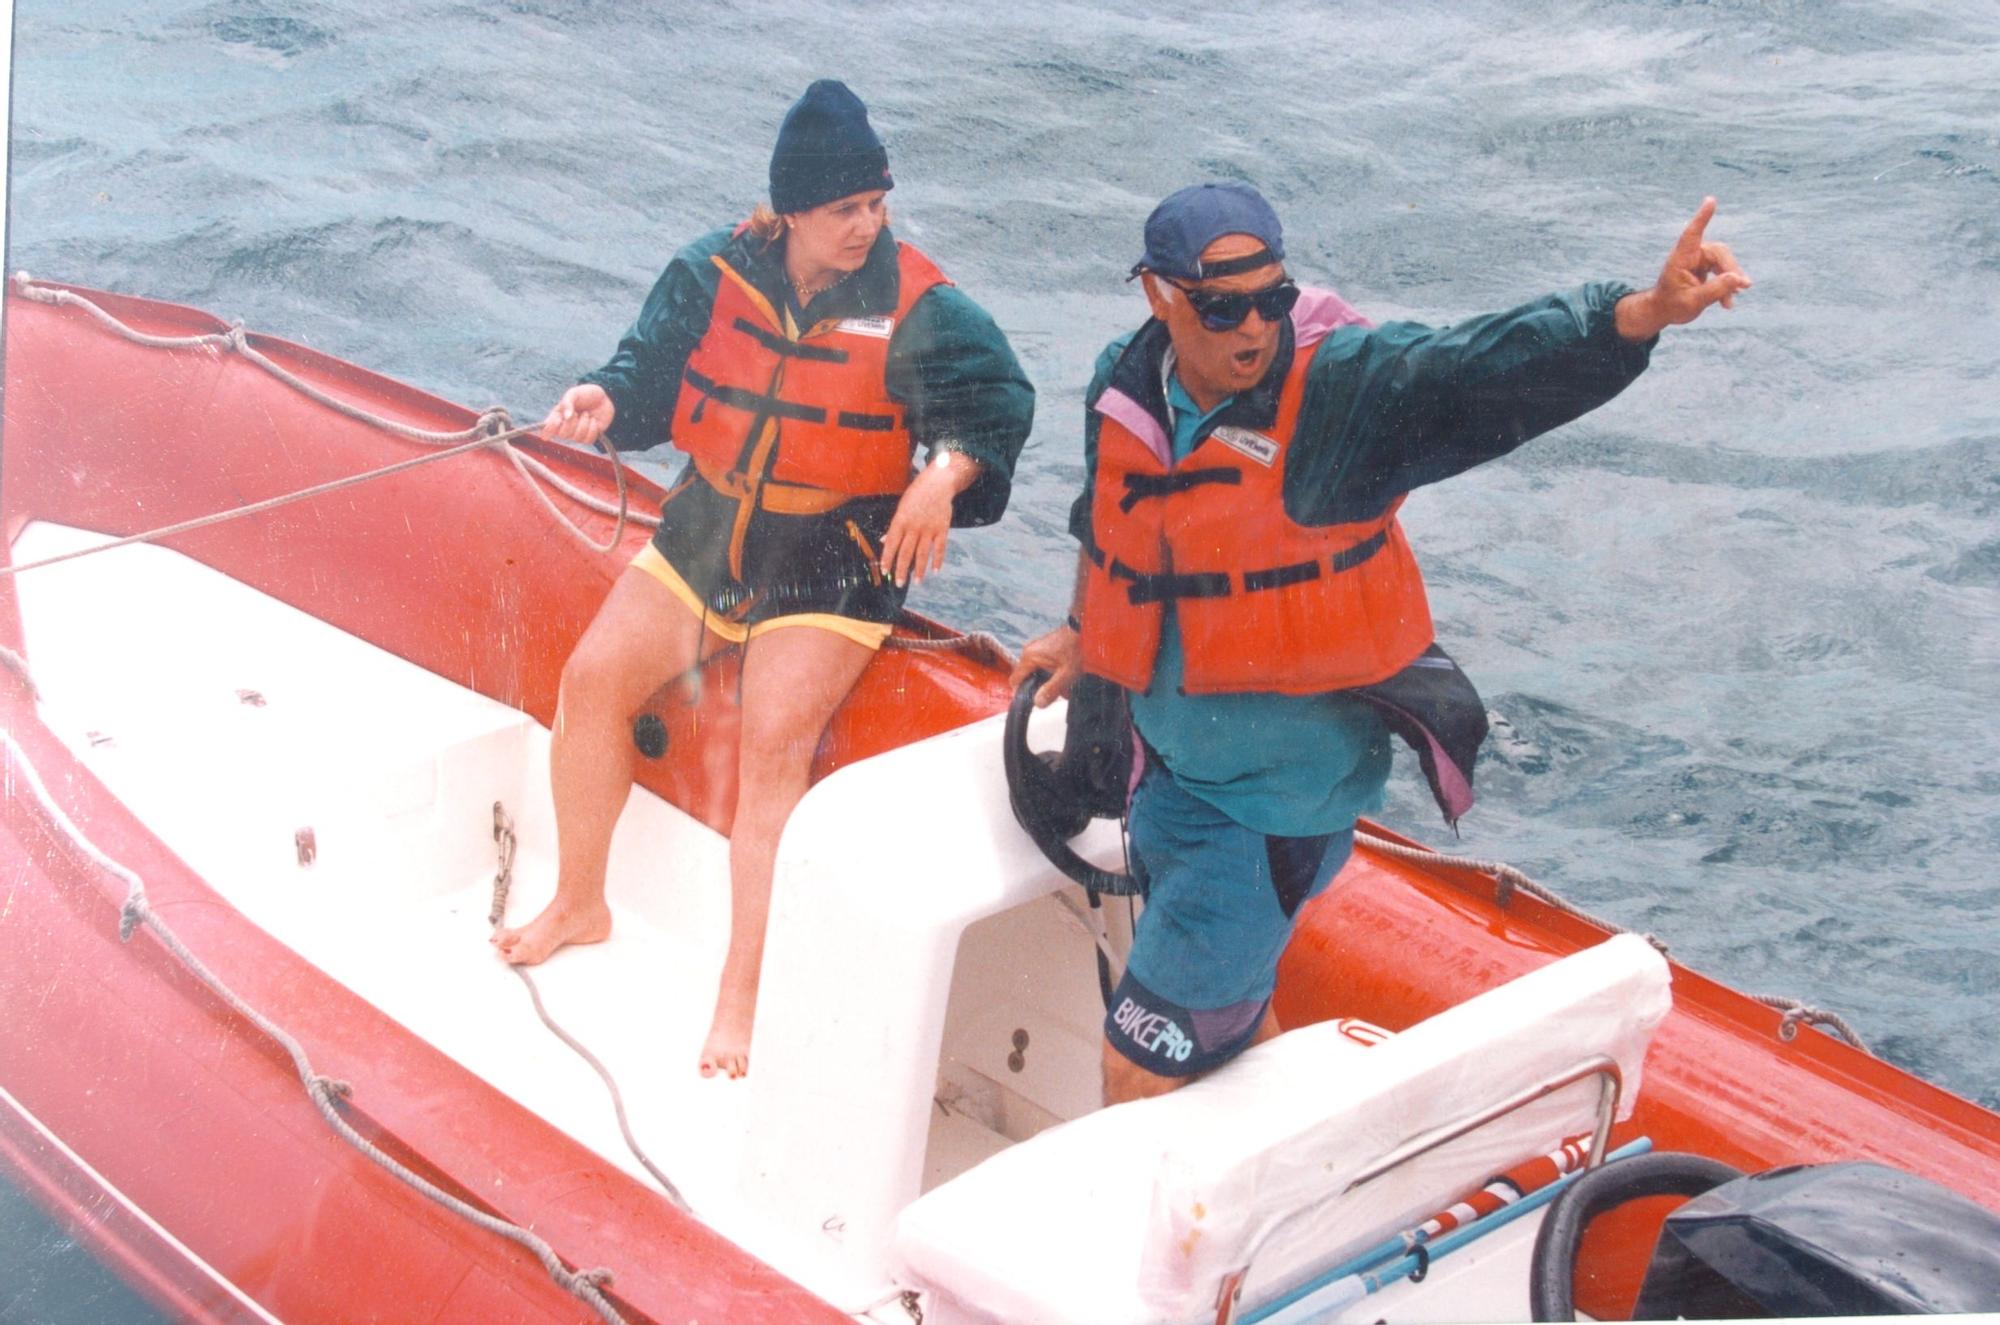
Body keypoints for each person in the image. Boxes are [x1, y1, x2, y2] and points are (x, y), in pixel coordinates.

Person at [1011, 182, 1749, 1105]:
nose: (1253, 329)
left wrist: (1640, 315)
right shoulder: (1124, 380)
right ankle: (1269, 1222)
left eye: (1271, 301)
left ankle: (1139, 1251)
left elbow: (1476, 367)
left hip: (1267, 815)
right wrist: (1085, 631)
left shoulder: (1340, 398)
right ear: (1159, 295)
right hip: (1171, 780)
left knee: (1137, 1072)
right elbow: (1109, 519)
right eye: (1222, 307)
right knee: (1230, 1041)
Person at [494, 80, 1034, 1080]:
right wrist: (601, 400)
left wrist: (943, 475)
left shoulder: (923, 307)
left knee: (771, 744)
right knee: (592, 678)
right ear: (790, 212)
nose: (865, 229)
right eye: (843, 211)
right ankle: (580, 898)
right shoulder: (709, 271)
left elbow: (998, 404)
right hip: (714, 525)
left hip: (837, 555)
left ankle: (741, 989)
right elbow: (648, 369)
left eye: (876, 206)